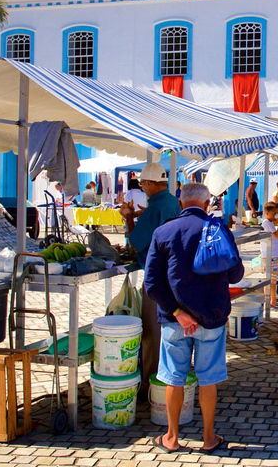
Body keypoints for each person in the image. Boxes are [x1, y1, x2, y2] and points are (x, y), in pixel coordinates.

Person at [144, 183, 244, 455]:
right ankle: (209, 437)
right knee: (207, 378)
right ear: (206, 203)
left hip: (175, 319)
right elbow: (235, 275)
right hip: (211, 317)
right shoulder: (218, 229)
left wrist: (179, 312)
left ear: (181, 203)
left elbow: (151, 282)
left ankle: (172, 438)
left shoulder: (163, 232)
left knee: (174, 378)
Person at [120, 163, 181, 395]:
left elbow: (135, 243)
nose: (142, 188)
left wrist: (128, 218)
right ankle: (174, 375)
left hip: (157, 276)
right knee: (173, 329)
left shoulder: (155, 207)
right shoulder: (173, 202)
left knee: (152, 332)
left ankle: (153, 384)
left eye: (143, 184)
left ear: (149, 183)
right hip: (176, 275)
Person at [261, 202, 278, 308]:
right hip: (270, 255)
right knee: (271, 280)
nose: (276, 216)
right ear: (267, 213)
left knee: (272, 279)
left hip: (273, 255)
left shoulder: (270, 223)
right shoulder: (267, 223)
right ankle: (271, 301)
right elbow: (277, 235)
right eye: (274, 213)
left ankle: (271, 300)